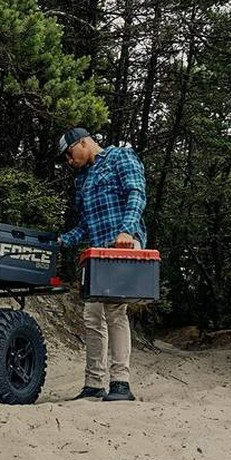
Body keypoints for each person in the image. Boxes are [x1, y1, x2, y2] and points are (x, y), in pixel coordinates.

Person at [56, 127, 147, 402]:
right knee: (91, 315)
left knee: (114, 310)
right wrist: (62, 240)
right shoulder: (82, 180)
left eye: (70, 154)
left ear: (83, 142)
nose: (69, 162)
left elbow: (136, 194)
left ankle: (121, 383)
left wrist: (127, 230)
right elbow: (84, 225)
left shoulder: (121, 157)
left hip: (124, 245)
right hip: (98, 253)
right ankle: (94, 384)